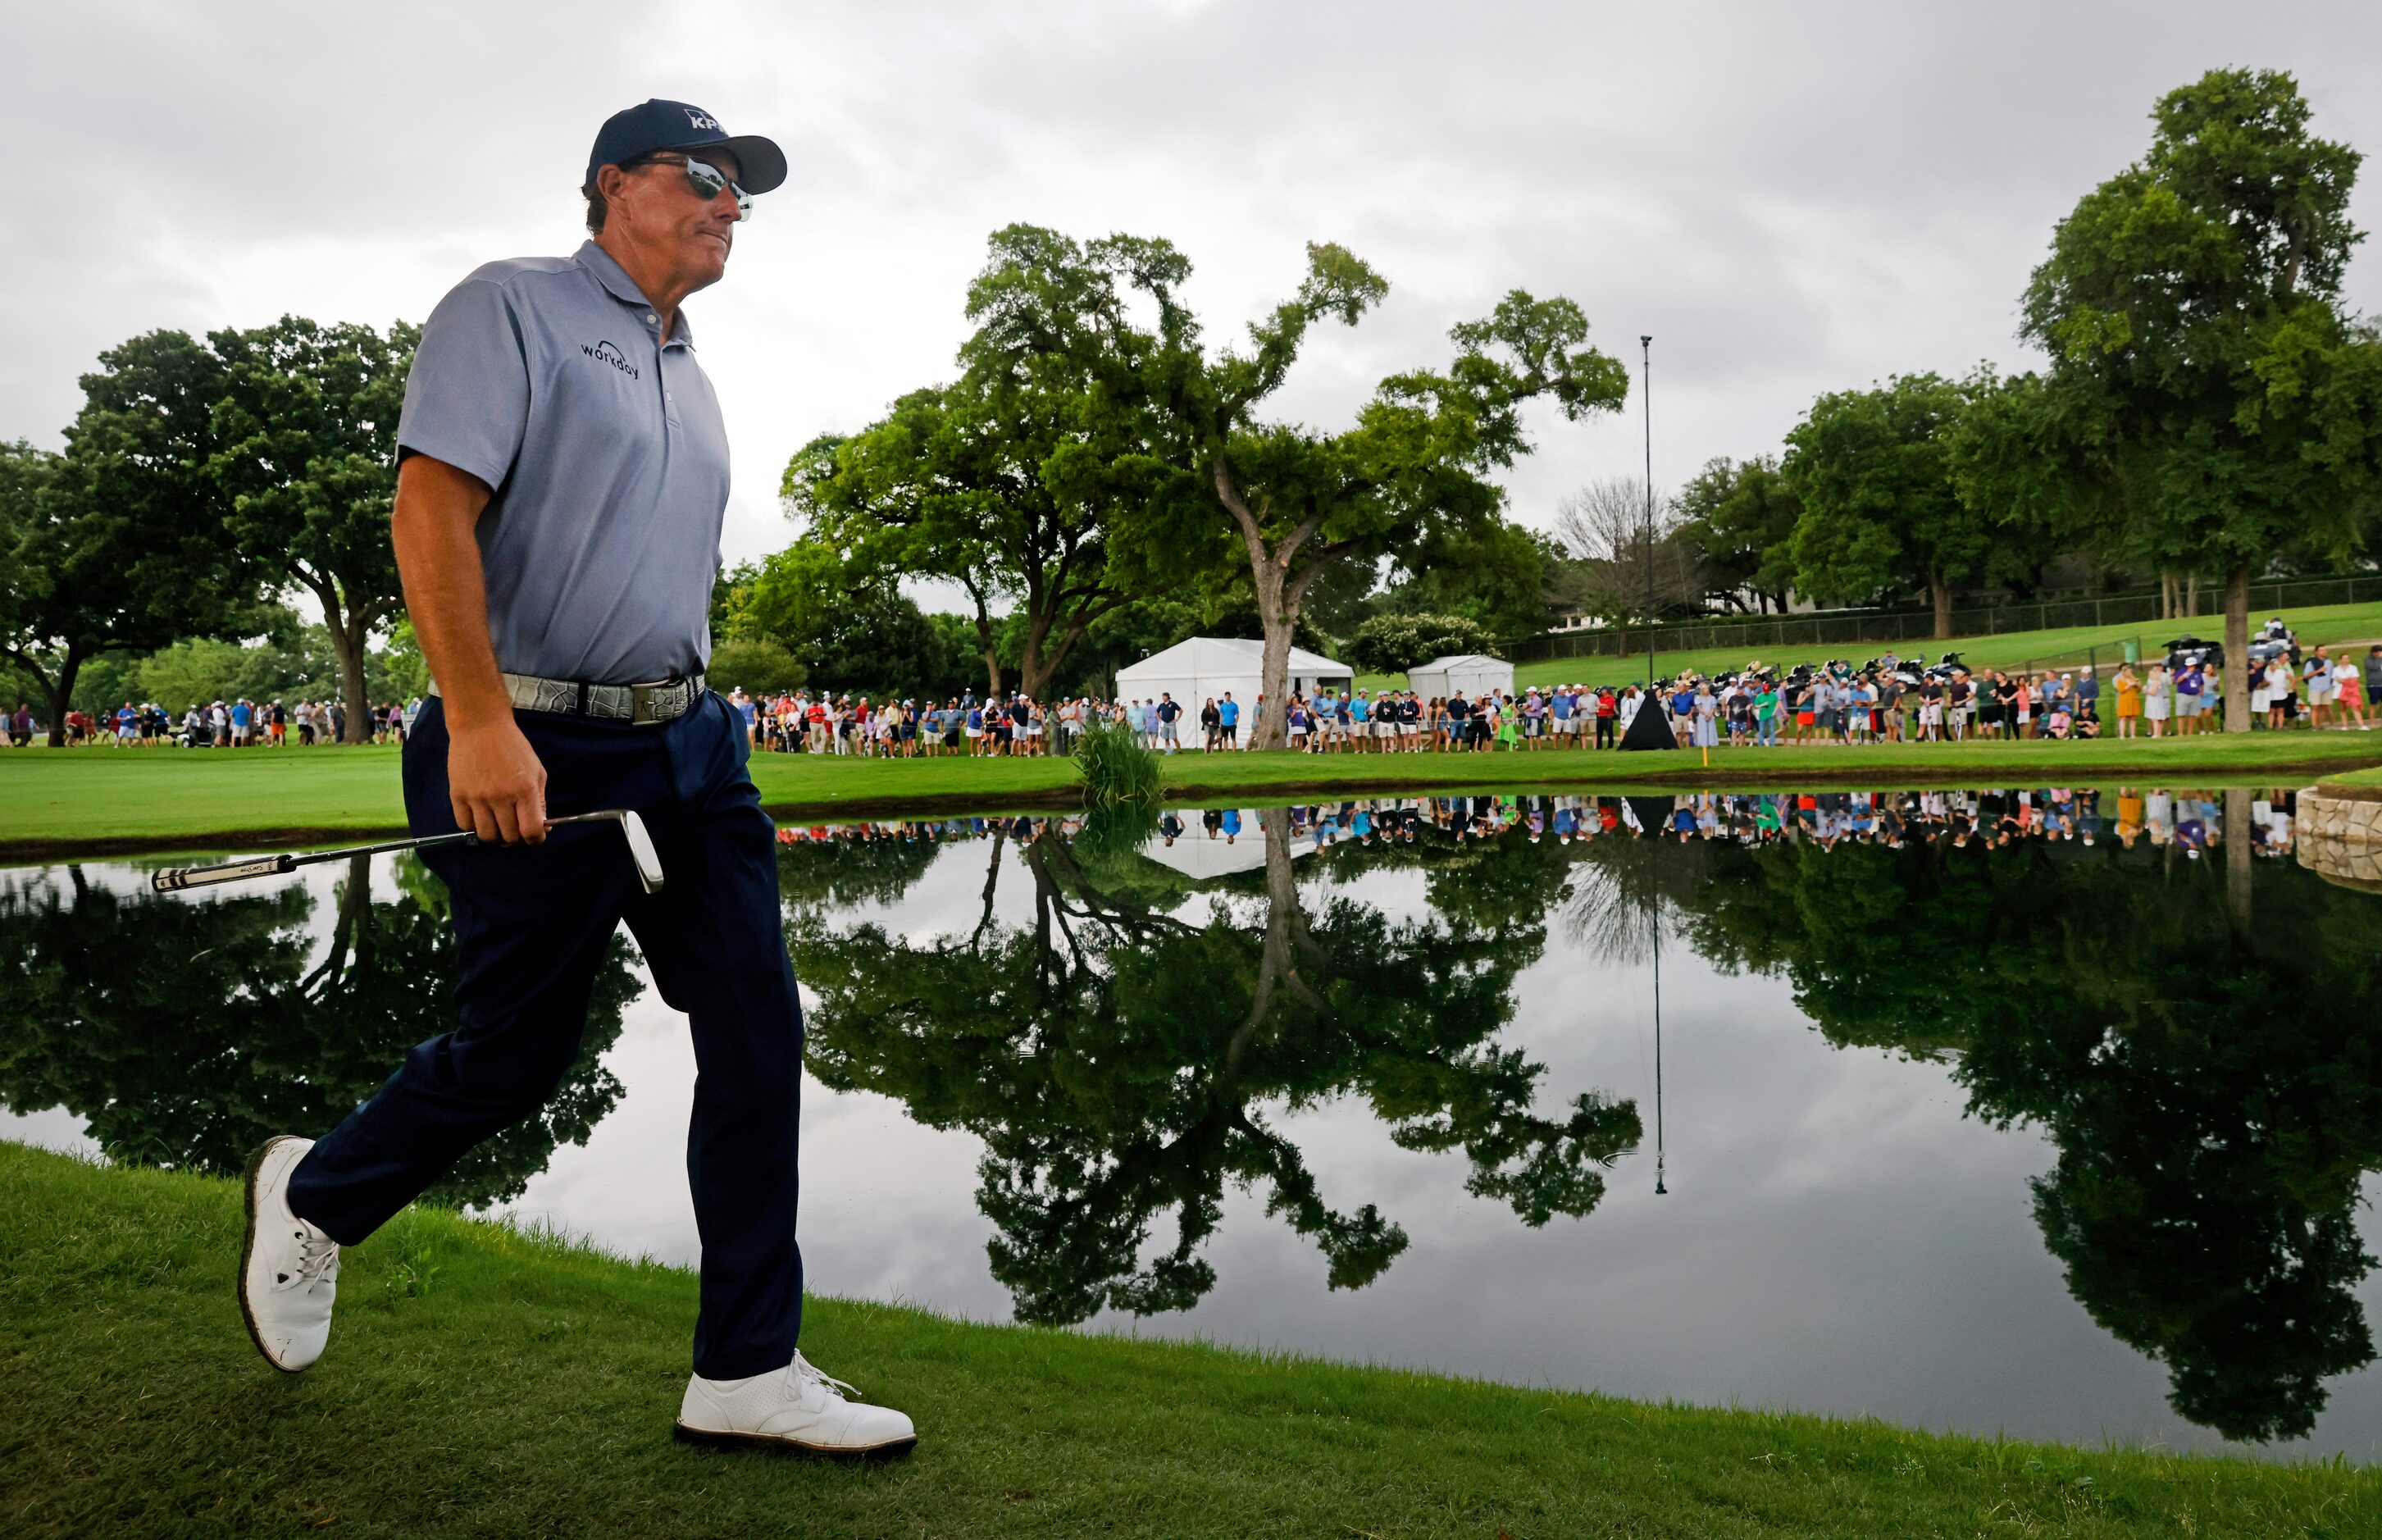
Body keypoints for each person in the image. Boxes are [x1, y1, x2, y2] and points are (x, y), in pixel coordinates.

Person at [236, 100, 913, 1456]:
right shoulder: (514, 307)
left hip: (688, 747)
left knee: (755, 1021)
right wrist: (480, 718)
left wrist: (699, 718)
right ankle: (314, 1195)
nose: (730, 205)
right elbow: (429, 508)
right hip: (530, 738)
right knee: (519, 1056)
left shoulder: (696, 370)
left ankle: (744, 1367)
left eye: (743, 192)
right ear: (611, 186)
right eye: (704, 178)